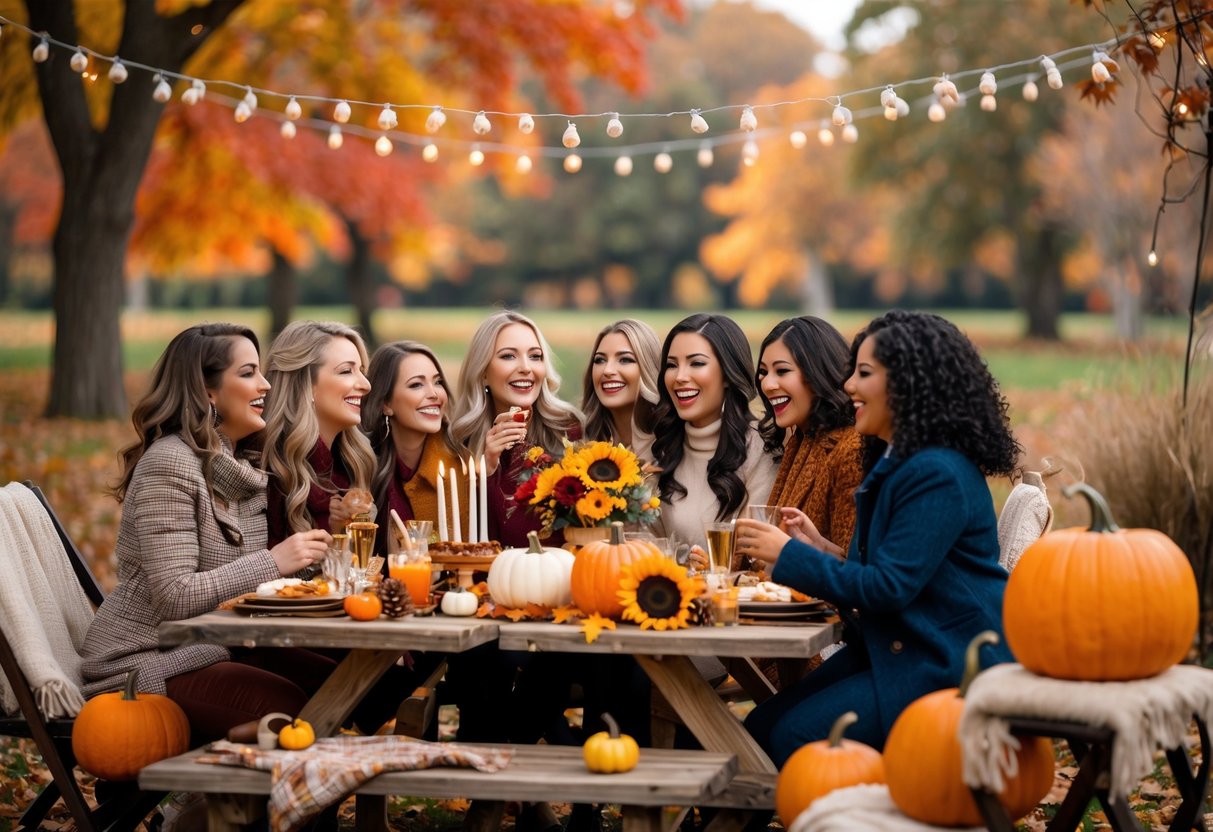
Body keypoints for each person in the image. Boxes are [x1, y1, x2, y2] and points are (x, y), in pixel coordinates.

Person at [736, 310, 1020, 766]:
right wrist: (822, 549)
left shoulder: (937, 473)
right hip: (896, 649)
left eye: (863, 374)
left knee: (794, 737)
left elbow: (888, 589)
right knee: (759, 729)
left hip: (947, 665)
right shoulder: (897, 462)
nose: (848, 385)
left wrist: (788, 555)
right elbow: (894, 570)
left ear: (908, 384)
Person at [80, 324, 333, 744]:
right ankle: (210, 804)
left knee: (340, 681)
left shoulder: (235, 465)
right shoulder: (170, 465)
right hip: (143, 660)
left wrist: (314, 564)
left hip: (213, 645)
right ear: (208, 391)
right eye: (249, 372)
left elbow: (244, 585)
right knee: (293, 706)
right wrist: (275, 560)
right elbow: (175, 595)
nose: (265, 384)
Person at [449, 310, 583, 547]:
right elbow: (470, 548)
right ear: (482, 374)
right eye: (509, 356)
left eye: (535, 356)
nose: (526, 367)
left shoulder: (568, 432)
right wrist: (487, 470)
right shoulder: (459, 443)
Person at [649, 313, 776, 550]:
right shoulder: (662, 448)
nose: (680, 377)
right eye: (671, 365)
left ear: (728, 374)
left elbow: (758, 552)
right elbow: (646, 541)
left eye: (696, 363)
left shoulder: (761, 449)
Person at [756, 316, 863, 559]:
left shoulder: (850, 450)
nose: (767, 384)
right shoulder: (801, 439)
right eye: (763, 372)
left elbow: (854, 575)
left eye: (782, 371)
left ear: (819, 372)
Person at [262, 321, 376, 547]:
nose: (366, 385)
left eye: (362, 371)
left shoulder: (351, 468)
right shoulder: (271, 471)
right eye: (346, 371)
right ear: (307, 385)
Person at [362, 340, 466, 555]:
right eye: (416, 385)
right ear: (386, 404)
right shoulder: (362, 463)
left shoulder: (463, 463)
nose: (434, 394)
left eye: (437, 382)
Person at [579, 319, 661, 454]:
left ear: (650, 368)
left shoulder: (672, 444)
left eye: (625, 359)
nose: (607, 370)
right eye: (600, 360)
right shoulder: (577, 445)